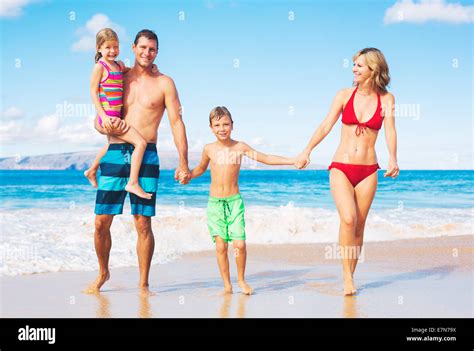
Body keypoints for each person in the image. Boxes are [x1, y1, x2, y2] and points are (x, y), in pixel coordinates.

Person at [84, 29, 191, 295]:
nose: (147, 53)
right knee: (101, 222)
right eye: (142, 47)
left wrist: (183, 162)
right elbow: (100, 97)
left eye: (152, 49)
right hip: (116, 151)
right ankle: (103, 272)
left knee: (143, 222)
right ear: (133, 48)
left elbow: (177, 122)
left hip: (148, 155)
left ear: (156, 53)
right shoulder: (120, 74)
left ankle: (143, 283)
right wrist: (99, 126)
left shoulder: (164, 83)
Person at [295, 48, 399, 296]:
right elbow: (326, 124)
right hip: (341, 167)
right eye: (353, 64)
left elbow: (391, 130)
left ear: (373, 69)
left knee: (360, 226)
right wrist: (307, 150)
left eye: (359, 65)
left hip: (368, 170)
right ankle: (346, 277)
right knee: (349, 219)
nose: (354, 69)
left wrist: (393, 157)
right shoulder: (343, 95)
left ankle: (351, 277)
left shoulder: (387, 99)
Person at [187, 106, 296, 295]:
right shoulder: (209, 149)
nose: (222, 128)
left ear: (232, 125)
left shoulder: (240, 147)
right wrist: (188, 175)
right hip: (215, 204)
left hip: (234, 202)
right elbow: (200, 169)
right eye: (217, 125)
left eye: (226, 124)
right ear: (211, 128)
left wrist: (293, 160)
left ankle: (241, 280)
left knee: (239, 244)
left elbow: (266, 158)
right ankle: (227, 285)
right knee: (221, 246)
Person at [84, 28, 156, 200]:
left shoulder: (119, 65)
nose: (112, 51)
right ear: (98, 48)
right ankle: (132, 182)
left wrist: (151, 67)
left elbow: (132, 70)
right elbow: (93, 93)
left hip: (115, 118)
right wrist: (103, 116)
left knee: (113, 144)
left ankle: (92, 170)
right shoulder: (99, 67)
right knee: (140, 143)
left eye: (115, 47)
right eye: (108, 47)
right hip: (108, 118)